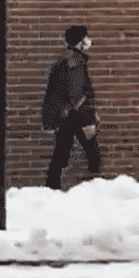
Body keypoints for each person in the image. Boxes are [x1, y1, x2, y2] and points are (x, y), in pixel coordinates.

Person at [41, 25, 101, 189]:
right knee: (90, 155)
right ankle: (94, 190)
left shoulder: (75, 60)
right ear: (78, 42)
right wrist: (87, 116)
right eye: (85, 38)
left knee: (63, 155)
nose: (88, 40)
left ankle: (52, 188)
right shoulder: (73, 62)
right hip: (75, 117)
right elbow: (76, 93)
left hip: (70, 116)